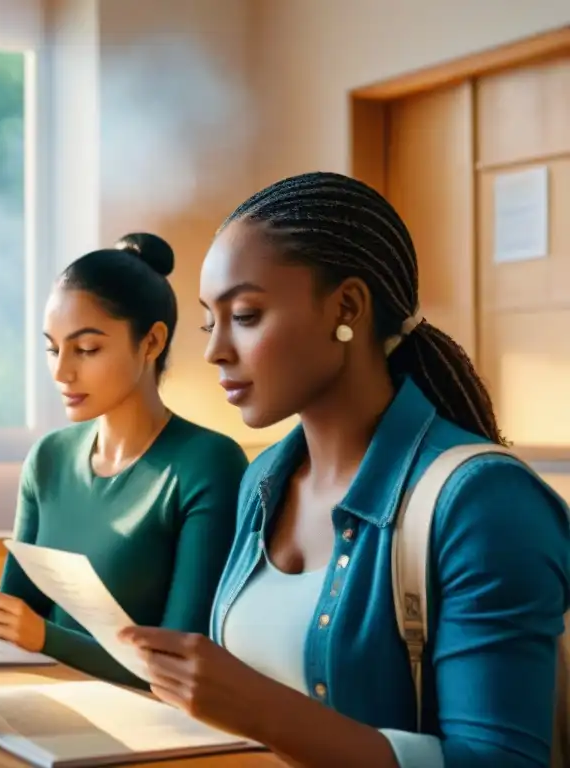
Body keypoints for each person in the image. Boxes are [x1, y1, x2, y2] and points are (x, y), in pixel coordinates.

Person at [117, 172, 570, 767]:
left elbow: (501, 762)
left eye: (246, 315)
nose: (214, 351)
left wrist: (259, 708)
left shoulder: (482, 503)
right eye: (210, 321)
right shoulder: (261, 483)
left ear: (347, 306)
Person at [0, 233, 249, 687]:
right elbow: (22, 615)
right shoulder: (48, 459)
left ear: (152, 342)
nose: (62, 371)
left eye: (86, 349)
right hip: (44, 704)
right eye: (52, 348)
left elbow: (180, 666)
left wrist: (43, 637)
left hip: (150, 729)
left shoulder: (207, 464)